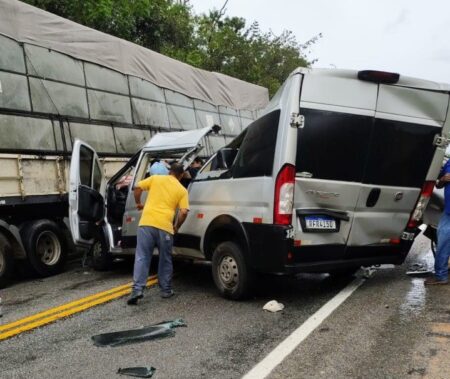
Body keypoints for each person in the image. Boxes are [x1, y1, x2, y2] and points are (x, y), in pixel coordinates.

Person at [127, 162, 189, 304]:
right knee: (165, 259)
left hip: (146, 223)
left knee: (142, 256)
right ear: (181, 175)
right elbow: (184, 212)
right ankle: (166, 291)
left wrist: (138, 203)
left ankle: (137, 290)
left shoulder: (156, 179)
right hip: (165, 227)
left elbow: (137, 187)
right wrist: (177, 226)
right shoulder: (182, 190)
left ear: (169, 172)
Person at [425, 160, 450, 285]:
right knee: (443, 243)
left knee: (444, 243)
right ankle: (441, 275)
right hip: (448, 211)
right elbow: (438, 185)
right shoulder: (449, 163)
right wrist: (444, 179)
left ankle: (441, 275)